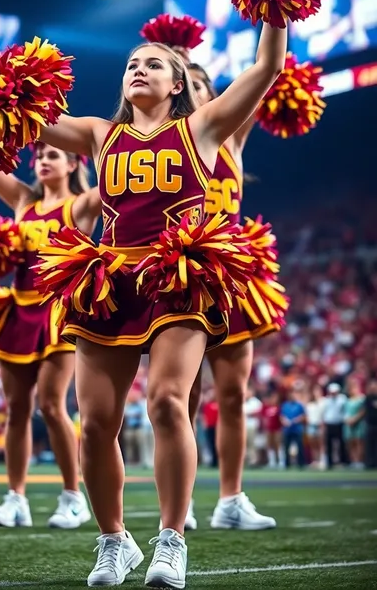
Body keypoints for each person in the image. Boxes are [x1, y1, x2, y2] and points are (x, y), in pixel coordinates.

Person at [39, 21, 286, 588]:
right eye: (131, 64)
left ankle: (171, 541)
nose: (137, 69)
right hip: (109, 281)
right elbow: (29, 120)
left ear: (177, 83)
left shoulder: (202, 127)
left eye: (152, 64)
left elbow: (266, 68)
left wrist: (276, 8)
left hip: (177, 276)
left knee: (168, 402)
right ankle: (114, 541)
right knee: (96, 423)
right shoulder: (100, 135)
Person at [173, 55, 278, 531]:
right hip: (184, 276)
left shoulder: (231, 136)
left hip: (232, 277)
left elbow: (266, 71)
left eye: (201, 83)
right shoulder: (170, 141)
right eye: (186, 83)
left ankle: (231, 499)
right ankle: (184, 499)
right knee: (183, 397)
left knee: (233, 394)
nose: (193, 89)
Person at [0, 143, 101, 528]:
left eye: (52, 155)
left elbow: (119, 182)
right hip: (18, 309)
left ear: (73, 162)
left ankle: (73, 497)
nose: (43, 161)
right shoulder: (23, 200)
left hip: (58, 312)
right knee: (16, 409)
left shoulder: (80, 206)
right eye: (40, 155)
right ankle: (16, 498)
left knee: (51, 403)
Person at [280, 389, 306, 468]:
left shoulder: (299, 405)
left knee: (300, 446)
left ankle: (301, 464)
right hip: (287, 429)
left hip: (297, 429)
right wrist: (285, 421)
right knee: (286, 447)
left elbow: (304, 416)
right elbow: (281, 416)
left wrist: (297, 420)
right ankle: (287, 464)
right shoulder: (285, 405)